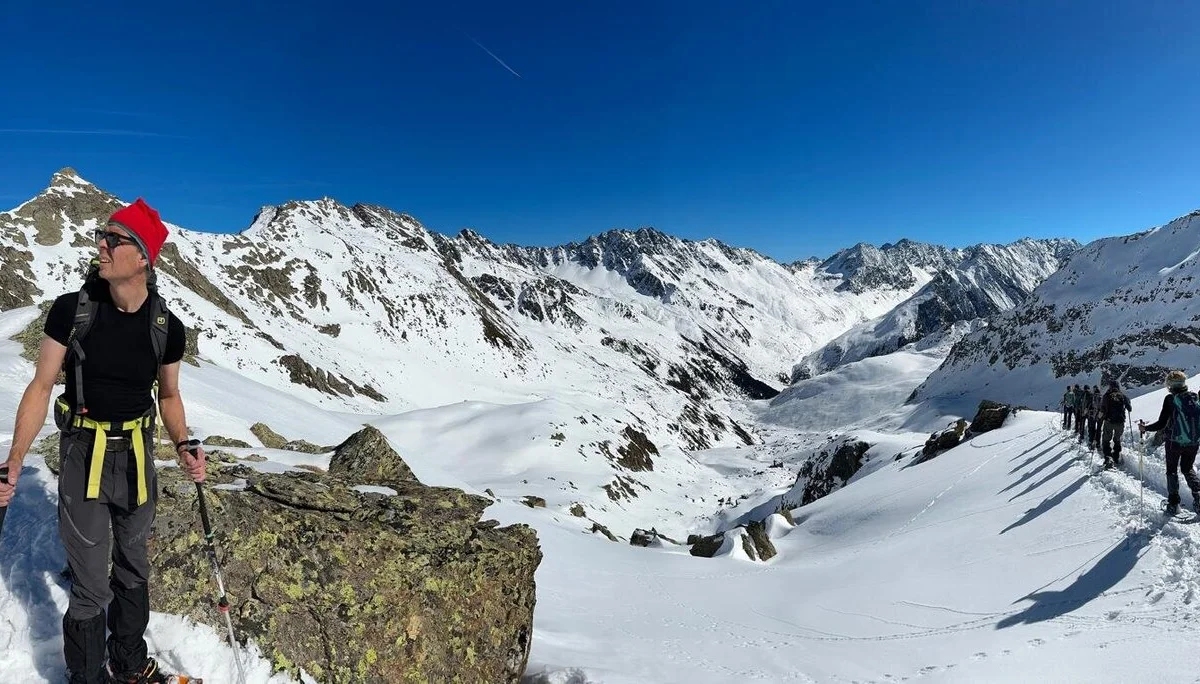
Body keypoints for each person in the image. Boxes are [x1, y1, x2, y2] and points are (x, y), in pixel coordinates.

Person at [0, 199, 206, 684]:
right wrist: (13, 460)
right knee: (92, 584)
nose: (101, 245)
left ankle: (130, 666)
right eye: (101, 235)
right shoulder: (73, 311)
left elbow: (170, 396)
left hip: (136, 457)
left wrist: (183, 444)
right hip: (83, 455)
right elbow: (41, 384)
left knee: (134, 567)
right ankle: (88, 677)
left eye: (114, 239)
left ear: (142, 258)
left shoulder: (166, 329)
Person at [1139, 370, 1200, 516]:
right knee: (1187, 468)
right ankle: (1198, 496)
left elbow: (1161, 424)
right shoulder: (1194, 397)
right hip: (1193, 442)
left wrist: (1145, 428)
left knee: (1172, 470)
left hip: (1174, 443)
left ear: (1170, 385)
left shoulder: (1170, 399)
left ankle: (1173, 504)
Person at [1099, 380, 1132, 469]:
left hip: (1109, 422)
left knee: (1106, 440)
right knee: (1117, 439)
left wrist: (1100, 418)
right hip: (1120, 422)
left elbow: (1103, 409)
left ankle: (1108, 458)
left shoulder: (1106, 396)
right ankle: (1116, 457)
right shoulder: (1123, 396)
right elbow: (1129, 409)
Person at [1088, 385, 1102, 450]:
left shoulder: (1092, 396)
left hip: (1093, 415)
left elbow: (1089, 405)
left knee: (1092, 428)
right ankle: (1098, 443)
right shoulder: (1101, 396)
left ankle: (1091, 442)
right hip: (1100, 416)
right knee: (1099, 430)